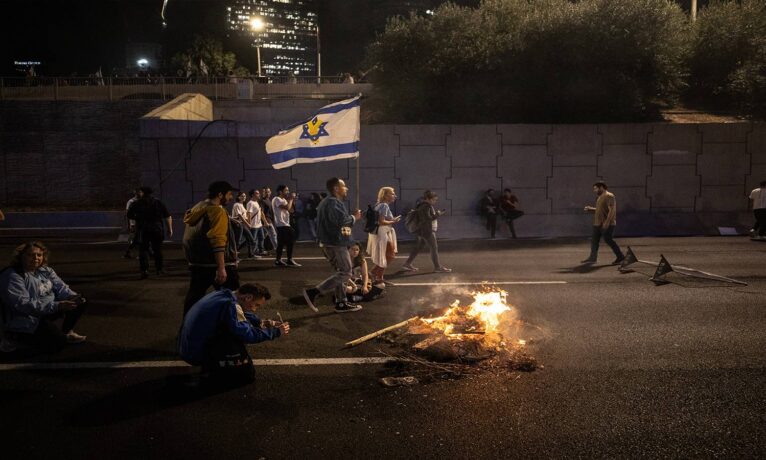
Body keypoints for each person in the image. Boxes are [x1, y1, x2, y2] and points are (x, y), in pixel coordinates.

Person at [178, 283, 289, 387]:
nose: (255, 309)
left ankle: (212, 367)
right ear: (248, 297)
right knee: (238, 346)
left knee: (234, 327)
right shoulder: (231, 305)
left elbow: (241, 313)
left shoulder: (224, 294)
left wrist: (264, 323)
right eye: (256, 305)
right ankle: (214, 373)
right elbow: (248, 335)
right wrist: (276, 332)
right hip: (195, 353)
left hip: (186, 345)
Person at [0, 241, 87, 353]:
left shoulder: (45, 270)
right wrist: (57, 306)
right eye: (30, 255)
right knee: (57, 344)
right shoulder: (13, 276)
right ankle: (11, 337)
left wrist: (73, 297)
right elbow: (23, 304)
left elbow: (61, 288)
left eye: (39, 255)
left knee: (81, 301)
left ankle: (66, 331)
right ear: (21, 257)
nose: (36, 258)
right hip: (24, 317)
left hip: (44, 310)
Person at [302, 177, 363, 313]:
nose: (346, 188)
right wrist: (354, 217)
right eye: (344, 186)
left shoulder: (327, 202)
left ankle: (341, 302)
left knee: (341, 272)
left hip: (330, 243)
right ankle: (314, 292)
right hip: (335, 243)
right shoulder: (333, 202)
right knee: (346, 272)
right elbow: (341, 221)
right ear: (336, 188)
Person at [182, 181, 241, 315]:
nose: (231, 198)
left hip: (198, 264)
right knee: (233, 298)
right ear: (220, 194)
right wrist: (221, 268)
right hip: (217, 264)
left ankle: (188, 327)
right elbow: (218, 240)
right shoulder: (217, 211)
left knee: (194, 297)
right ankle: (235, 330)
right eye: (229, 194)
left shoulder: (199, 207)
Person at [127, 186, 173, 279]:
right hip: (157, 228)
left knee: (143, 250)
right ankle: (159, 269)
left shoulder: (136, 203)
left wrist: (138, 218)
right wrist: (170, 229)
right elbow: (168, 216)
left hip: (143, 229)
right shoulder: (158, 202)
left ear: (142, 192)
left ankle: (144, 271)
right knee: (158, 249)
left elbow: (129, 215)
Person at [402, 190, 451, 273]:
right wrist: (437, 214)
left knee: (419, 247)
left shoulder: (422, 205)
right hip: (426, 230)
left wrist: (436, 214)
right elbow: (427, 219)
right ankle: (437, 267)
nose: (435, 201)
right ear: (428, 199)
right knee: (434, 248)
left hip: (422, 230)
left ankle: (407, 263)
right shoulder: (426, 206)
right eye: (434, 200)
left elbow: (426, 218)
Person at [582, 181, 625, 265]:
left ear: (601, 187)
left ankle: (621, 257)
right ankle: (592, 258)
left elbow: (612, 210)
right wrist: (591, 209)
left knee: (608, 240)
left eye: (595, 188)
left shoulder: (609, 196)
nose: (594, 190)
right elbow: (600, 210)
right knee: (594, 240)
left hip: (606, 223)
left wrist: (607, 222)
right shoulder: (600, 197)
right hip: (598, 224)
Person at [367, 186, 400, 285]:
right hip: (382, 232)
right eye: (392, 193)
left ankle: (378, 277)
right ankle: (372, 273)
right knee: (390, 255)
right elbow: (381, 221)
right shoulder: (384, 206)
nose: (394, 195)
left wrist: (392, 220)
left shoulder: (379, 204)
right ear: (385, 196)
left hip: (379, 232)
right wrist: (393, 221)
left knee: (384, 255)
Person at [272, 185, 300, 267]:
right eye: (286, 190)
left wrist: (293, 201)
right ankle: (289, 259)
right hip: (282, 224)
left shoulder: (284, 199)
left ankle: (278, 260)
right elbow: (287, 207)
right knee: (290, 239)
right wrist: (291, 199)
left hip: (285, 224)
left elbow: (291, 210)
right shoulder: (276, 199)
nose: (288, 192)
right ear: (280, 191)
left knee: (281, 243)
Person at [231, 192, 257, 259]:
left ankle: (250, 254)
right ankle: (234, 255)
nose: (244, 197)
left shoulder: (242, 205)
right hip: (238, 224)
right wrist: (247, 224)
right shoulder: (236, 205)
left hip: (242, 224)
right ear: (238, 197)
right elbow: (240, 216)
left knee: (250, 239)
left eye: (244, 196)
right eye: (242, 196)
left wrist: (249, 221)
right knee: (238, 240)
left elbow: (244, 216)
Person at [123, 188, 143, 258]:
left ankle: (127, 252)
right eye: (139, 192)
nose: (140, 193)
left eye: (141, 192)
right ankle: (143, 254)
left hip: (140, 223)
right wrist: (129, 225)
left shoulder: (142, 201)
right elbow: (127, 214)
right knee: (136, 239)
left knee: (137, 239)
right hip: (134, 224)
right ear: (135, 193)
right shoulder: (131, 201)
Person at [246, 189, 266, 256]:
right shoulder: (250, 203)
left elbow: (261, 213)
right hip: (253, 225)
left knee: (261, 237)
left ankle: (261, 251)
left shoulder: (257, 202)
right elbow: (248, 214)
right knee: (253, 240)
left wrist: (264, 222)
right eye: (257, 193)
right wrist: (249, 224)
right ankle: (253, 253)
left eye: (258, 193)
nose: (259, 194)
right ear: (252, 195)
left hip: (259, 224)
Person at [260, 187, 278, 252]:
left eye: (268, 192)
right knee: (273, 234)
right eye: (266, 192)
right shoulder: (262, 201)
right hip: (267, 220)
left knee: (265, 236)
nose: (267, 193)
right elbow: (261, 212)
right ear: (263, 193)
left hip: (269, 220)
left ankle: (261, 249)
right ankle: (277, 248)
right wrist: (265, 222)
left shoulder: (269, 200)